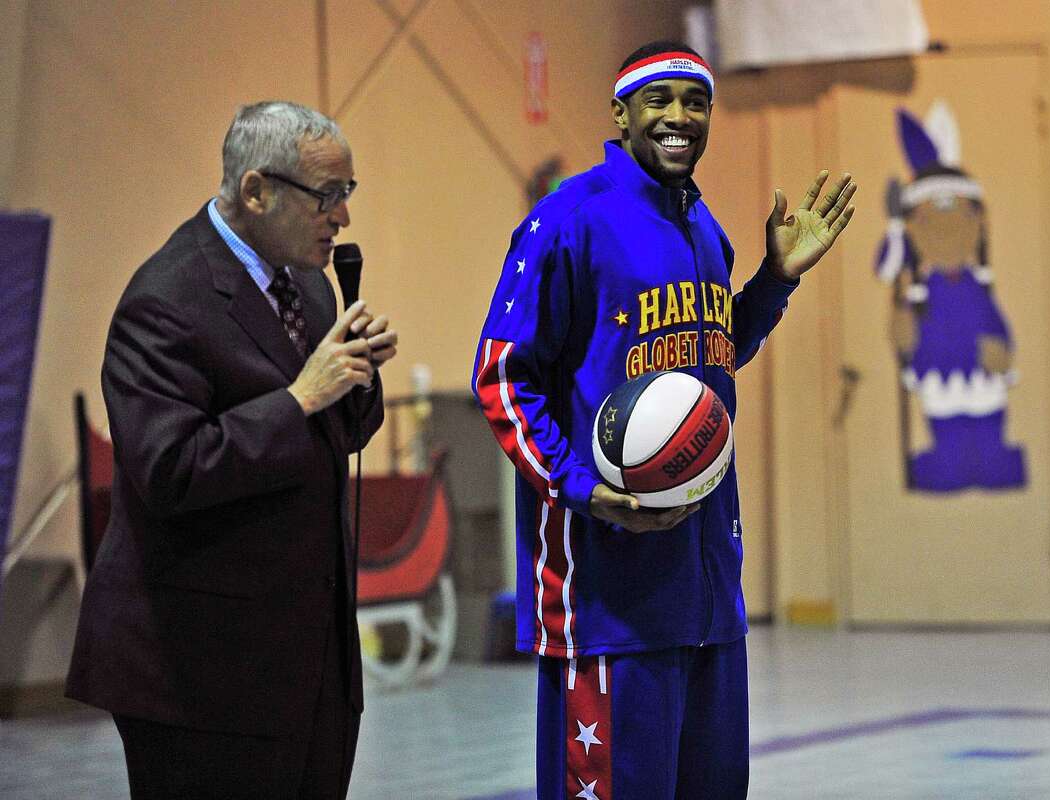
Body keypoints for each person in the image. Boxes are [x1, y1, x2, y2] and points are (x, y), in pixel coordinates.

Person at [472, 41, 855, 799]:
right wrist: (584, 488)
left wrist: (774, 280)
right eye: (660, 100)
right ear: (620, 114)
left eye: (697, 101)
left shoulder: (705, 230)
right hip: (610, 595)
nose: (681, 117)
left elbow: (702, 371)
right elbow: (501, 380)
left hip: (708, 592)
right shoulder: (568, 222)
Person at [66, 101, 396, 799]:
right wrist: (300, 398)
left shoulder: (305, 280)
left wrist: (357, 380)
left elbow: (330, 437)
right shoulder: (164, 300)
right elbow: (171, 470)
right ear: (256, 190)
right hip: (198, 669)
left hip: (307, 656)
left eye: (348, 194)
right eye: (327, 196)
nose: (342, 217)